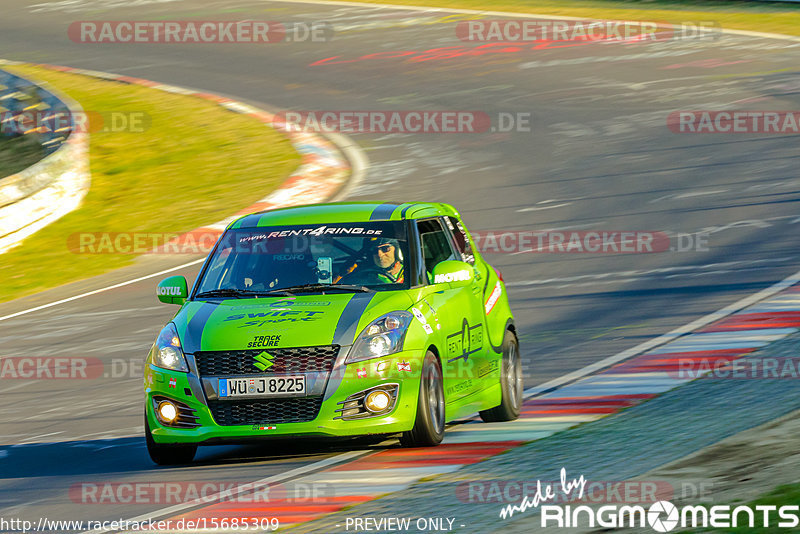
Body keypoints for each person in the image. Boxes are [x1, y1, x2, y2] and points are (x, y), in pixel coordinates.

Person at [336, 237, 404, 284]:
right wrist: (343, 273)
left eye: (385, 248)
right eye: (374, 251)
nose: (379, 254)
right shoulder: (361, 276)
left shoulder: (411, 272)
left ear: (397, 251)